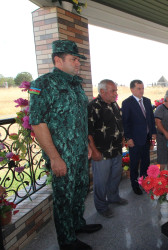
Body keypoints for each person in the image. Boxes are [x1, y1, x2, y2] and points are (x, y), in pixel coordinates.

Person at [29, 40, 102, 250]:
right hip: (62, 155)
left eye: (78, 59)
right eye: (74, 59)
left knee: (80, 191)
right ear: (58, 60)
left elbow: (81, 119)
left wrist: (87, 144)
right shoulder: (43, 84)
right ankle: (66, 240)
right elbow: (37, 122)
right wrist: (54, 157)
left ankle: (77, 224)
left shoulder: (76, 84)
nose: (78, 63)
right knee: (64, 197)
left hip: (79, 152)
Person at [88, 79, 128, 218]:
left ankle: (113, 197)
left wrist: (122, 138)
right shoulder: (93, 106)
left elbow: (118, 123)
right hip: (102, 152)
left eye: (116, 90)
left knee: (115, 177)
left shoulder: (114, 104)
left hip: (116, 150)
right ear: (102, 91)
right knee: (101, 181)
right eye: (113, 91)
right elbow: (88, 131)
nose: (115, 93)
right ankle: (101, 207)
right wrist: (94, 151)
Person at [121, 80, 157, 195]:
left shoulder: (147, 101)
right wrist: (128, 138)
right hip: (134, 140)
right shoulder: (127, 103)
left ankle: (145, 182)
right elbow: (125, 122)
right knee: (134, 164)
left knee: (146, 162)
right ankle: (135, 185)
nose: (141, 91)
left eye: (142, 88)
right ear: (132, 89)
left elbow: (151, 119)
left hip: (146, 138)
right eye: (138, 88)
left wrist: (153, 133)